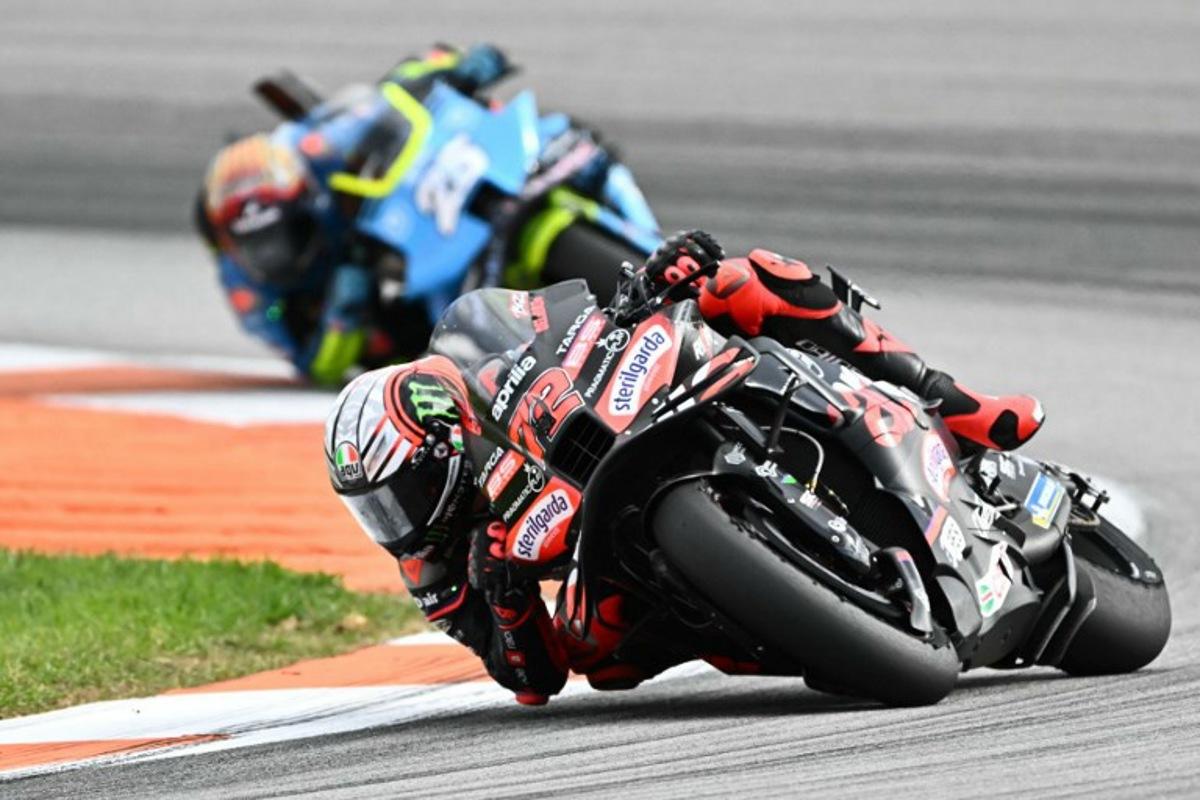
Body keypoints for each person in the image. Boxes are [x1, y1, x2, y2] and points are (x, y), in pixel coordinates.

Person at [324, 230, 1045, 704]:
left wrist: (651, 281)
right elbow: (531, 679)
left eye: (402, 491)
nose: (399, 520)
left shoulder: (479, 350)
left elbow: (565, 321)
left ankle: (952, 402)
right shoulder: (434, 569)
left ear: (446, 439)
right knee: (599, 661)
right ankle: (788, 622)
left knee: (742, 280)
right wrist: (506, 592)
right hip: (606, 562)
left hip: (630, 413)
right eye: (377, 510)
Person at [195, 43, 654, 385]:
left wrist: (451, 69)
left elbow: (388, 96)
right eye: (259, 245)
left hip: (424, 220)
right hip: (395, 316)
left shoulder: (313, 157)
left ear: (303, 203)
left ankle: (648, 238)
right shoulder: (249, 292)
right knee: (441, 359)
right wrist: (345, 302)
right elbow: (316, 363)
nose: (276, 253)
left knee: (568, 144)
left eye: (286, 233)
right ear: (230, 246)